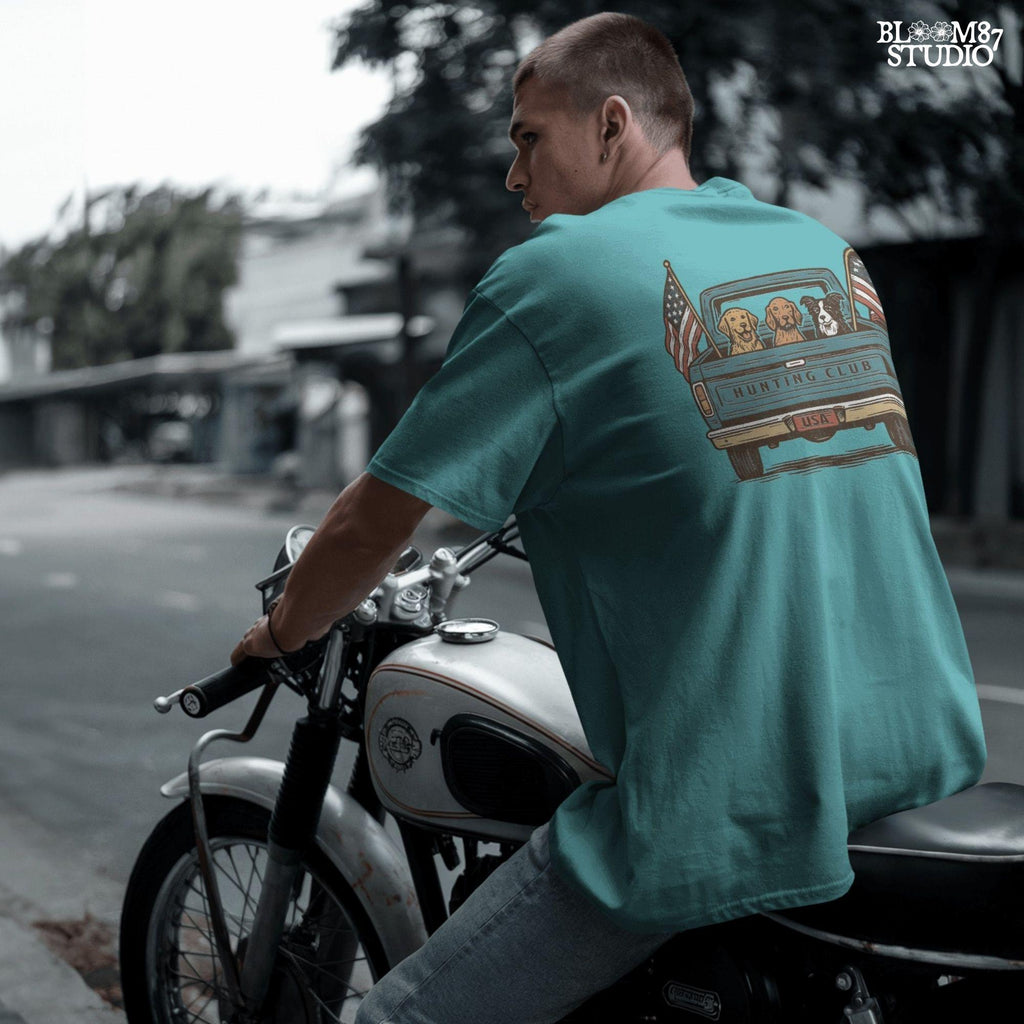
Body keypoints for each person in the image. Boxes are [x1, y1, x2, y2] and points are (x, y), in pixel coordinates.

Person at [232, 12, 988, 1023]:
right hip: (921, 749)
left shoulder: (555, 275)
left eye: (528, 138)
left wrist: (284, 628)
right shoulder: (820, 250)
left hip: (735, 797)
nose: (515, 175)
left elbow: (375, 521)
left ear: (612, 124)